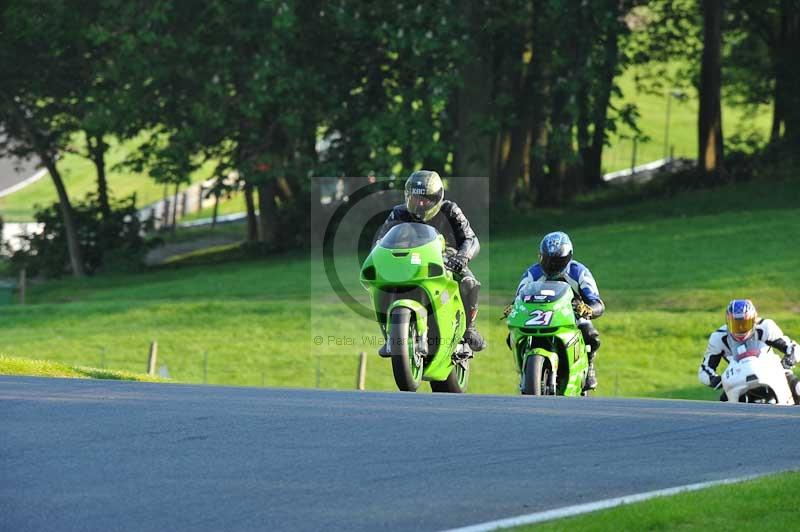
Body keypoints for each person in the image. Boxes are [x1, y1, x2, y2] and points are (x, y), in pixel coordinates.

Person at [374, 170, 486, 352]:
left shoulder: (450, 210)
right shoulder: (399, 213)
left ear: (436, 198)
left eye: (425, 200)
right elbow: (381, 240)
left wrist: (462, 257)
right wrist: (378, 258)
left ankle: (469, 329)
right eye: (414, 199)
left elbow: (471, 239)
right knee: (381, 284)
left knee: (469, 282)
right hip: (407, 261)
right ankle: (389, 335)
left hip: (446, 259)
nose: (419, 204)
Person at [514, 231, 604, 390]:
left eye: (557, 261)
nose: (551, 265)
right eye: (546, 259)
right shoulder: (532, 273)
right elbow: (518, 297)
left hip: (572, 316)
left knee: (591, 336)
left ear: (568, 257)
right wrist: (513, 307)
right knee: (512, 335)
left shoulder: (579, 272)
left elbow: (597, 303)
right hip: (538, 315)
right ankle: (524, 370)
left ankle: (589, 366)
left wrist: (588, 309)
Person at [698, 299, 800, 402]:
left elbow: (793, 347)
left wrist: (789, 360)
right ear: (728, 322)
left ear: (754, 320)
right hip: (737, 377)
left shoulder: (766, 327)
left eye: (745, 323)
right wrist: (716, 380)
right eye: (736, 325)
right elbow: (705, 369)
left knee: (798, 388)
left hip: (771, 370)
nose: (741, 329)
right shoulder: (719, 337)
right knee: (723, 404)